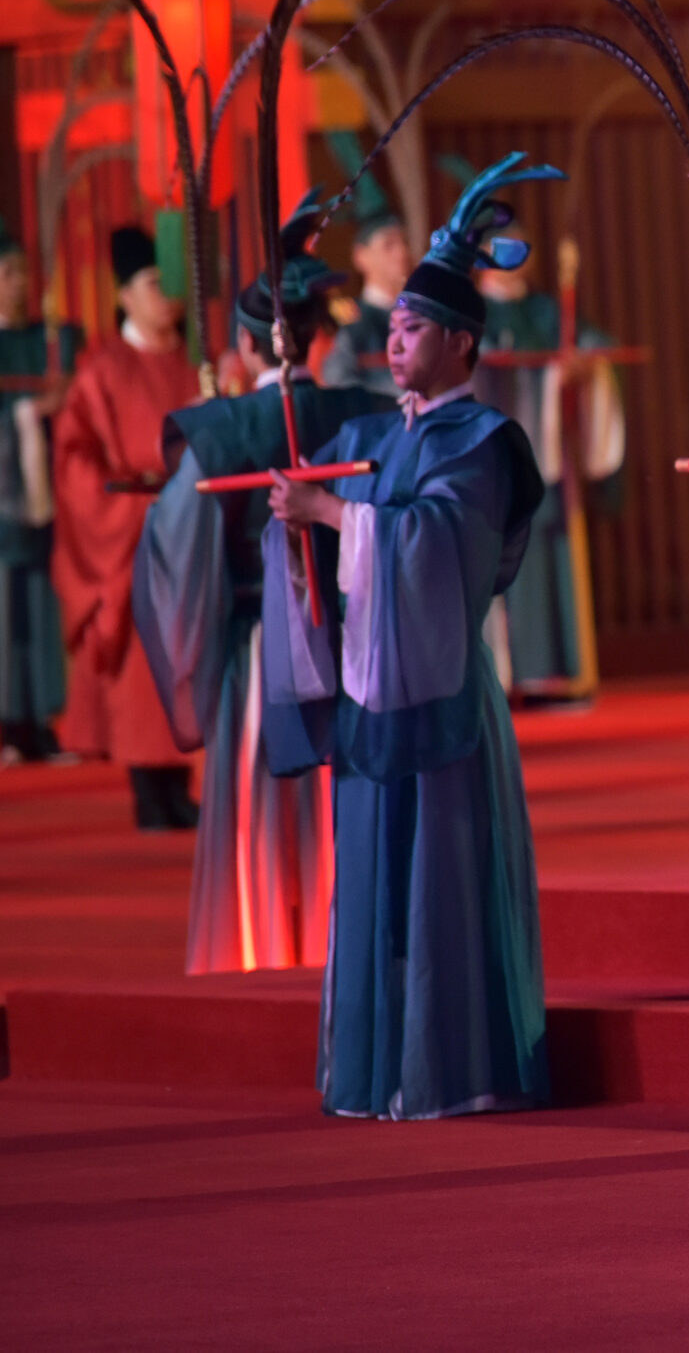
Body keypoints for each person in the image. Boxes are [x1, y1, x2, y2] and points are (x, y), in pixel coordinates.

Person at [263, 161, 552, 1120]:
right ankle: (379, 1063)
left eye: (415, 328)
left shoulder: (482, 442)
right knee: (371, 870)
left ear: (462, 341)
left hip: (443, 690)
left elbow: (437, 546)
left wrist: (334, 515)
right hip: (367, 687)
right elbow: (324, 519)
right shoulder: (371, 439)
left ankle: (450, 1063)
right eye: (392, 326)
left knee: (440, 876)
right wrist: (298, 520)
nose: (393, 340)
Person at [135, 214, 392, 973]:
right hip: (350, 639)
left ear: (248, 347)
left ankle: (265, 949)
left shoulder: (221, 430)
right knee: (342, 797)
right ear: (311, 337)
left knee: (260, 805)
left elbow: (175, 546)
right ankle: (346, 947)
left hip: (257, 642)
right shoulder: (366, 414)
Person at [54, 227, 199, 827]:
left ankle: (178, 783)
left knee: (188, 655)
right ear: (124, 296)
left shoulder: (196, 363)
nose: (166, 295)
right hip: (134, 540)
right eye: (152, 283)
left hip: (190, 536)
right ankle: (148, 789)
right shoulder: (102, 370)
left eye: (170, 283)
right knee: (141, 667)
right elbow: (74, 459)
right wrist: (129, 501)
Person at [474, 224, 627, 695]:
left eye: (523, 247)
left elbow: (596, 344)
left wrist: (582, 365)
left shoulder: (547, 309)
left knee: (557, 550)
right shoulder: (471, 311)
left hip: (551, 456)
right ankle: (517, 673)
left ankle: (564, 671)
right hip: (495, 458)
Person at [0, 237, 77, 762]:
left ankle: (45, 718)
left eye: (23, 272)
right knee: (7, 612)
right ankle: (10, 722)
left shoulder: (49, 340)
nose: (19, 284)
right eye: (8, 273)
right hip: (6, 496)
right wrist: (28, 413)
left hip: (46, 493)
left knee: (43, 606)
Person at [319, 212, 411, 397]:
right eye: (389, 245)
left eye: (405, 243)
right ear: (361, 256)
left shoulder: (417, 313)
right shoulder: (348, 320)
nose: (402, 254)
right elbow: (338, 381)